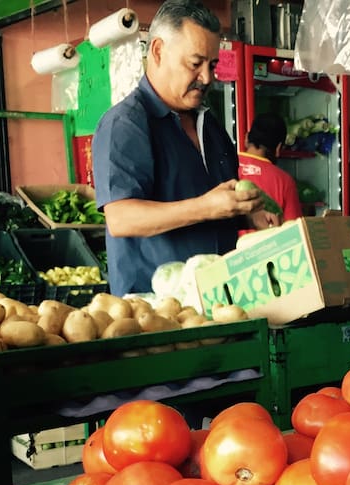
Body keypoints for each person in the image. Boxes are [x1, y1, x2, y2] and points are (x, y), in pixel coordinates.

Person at [91, 0, 276, 295]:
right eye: (195, 63)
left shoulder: (210, 125)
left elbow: (216, 201)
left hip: (219, 300)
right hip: (155, 313)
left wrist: (246, 214)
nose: (207, 77)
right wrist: (206, 207)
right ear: (159, 51)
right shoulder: (125, 125)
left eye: (212, 65)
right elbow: (121, 218)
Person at [238, 113, 304, 222]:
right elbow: (293, 229)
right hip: (267, 239)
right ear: (278, 148)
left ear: (246, 138)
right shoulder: (285, 181)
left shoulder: (226, 165)